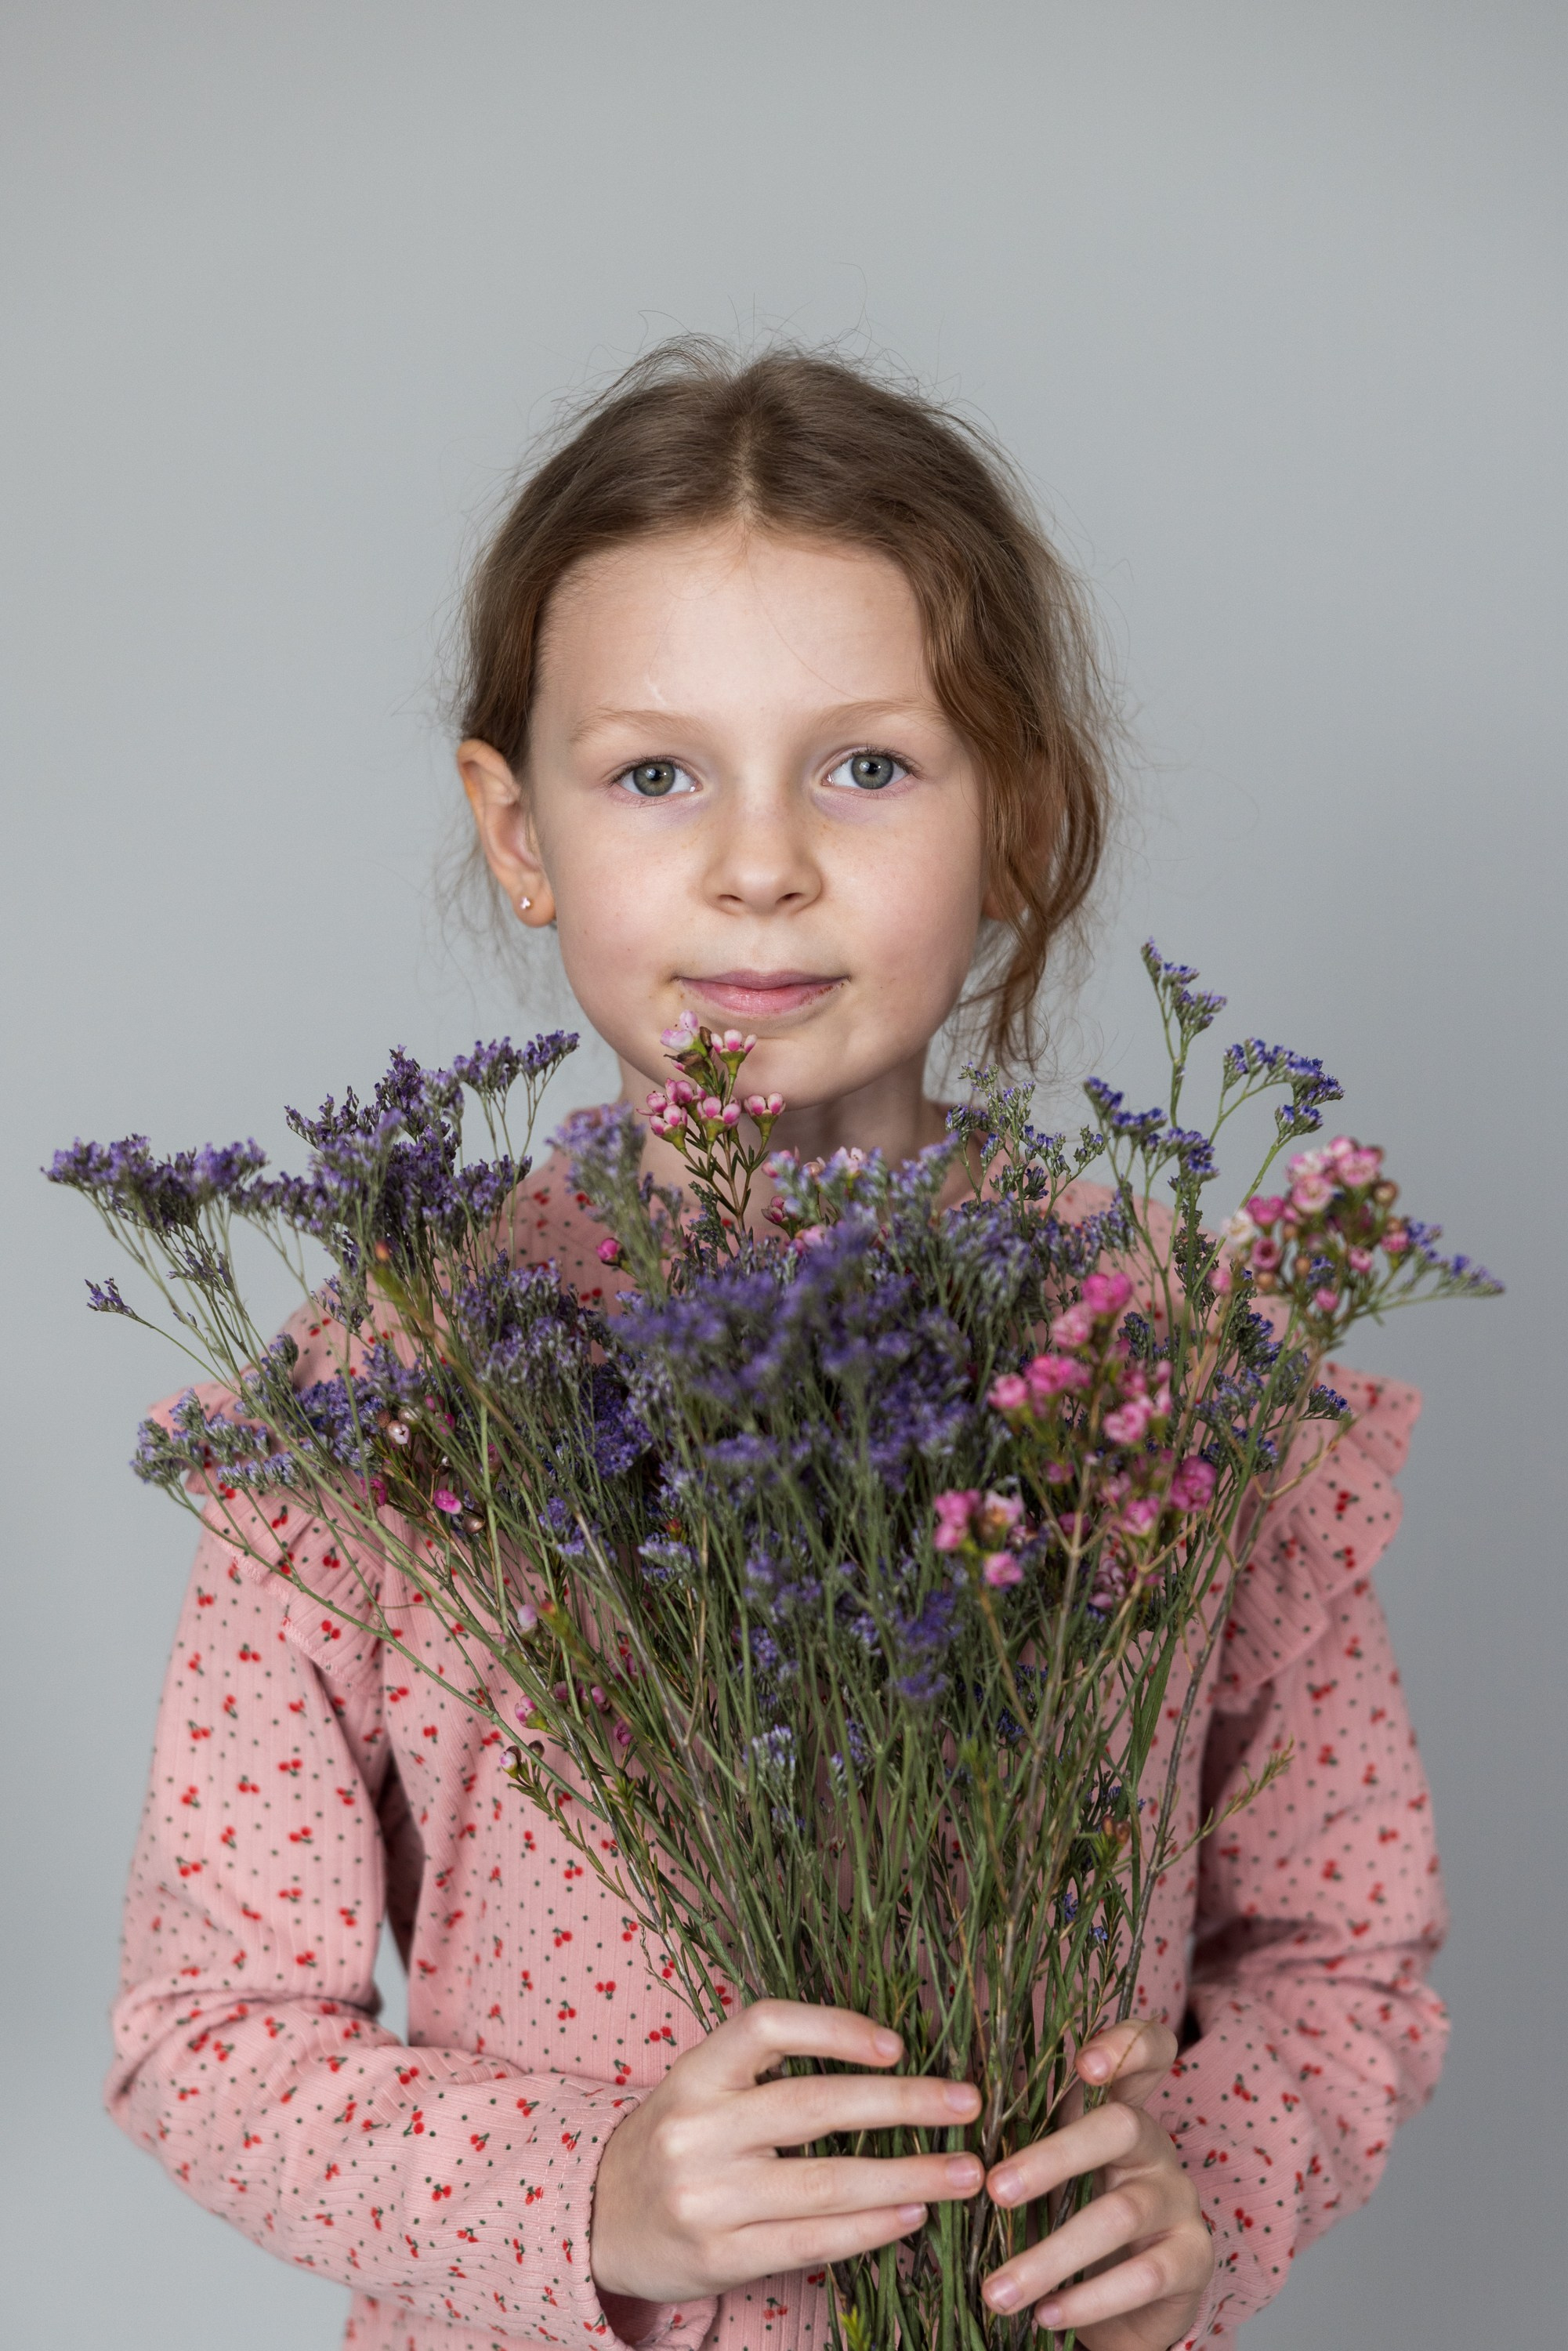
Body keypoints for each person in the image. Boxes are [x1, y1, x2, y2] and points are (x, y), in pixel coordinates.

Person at [109, 342, 1448, 2350]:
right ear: (514, 825)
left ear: (1020, 818)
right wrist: (588, 2201)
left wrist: (1209, 2189)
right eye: (655, 772)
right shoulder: (387, 1395)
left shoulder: (1174, 1365)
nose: (759, 862)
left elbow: (1339, 1954)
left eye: (866, 765)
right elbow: (198, 2034)